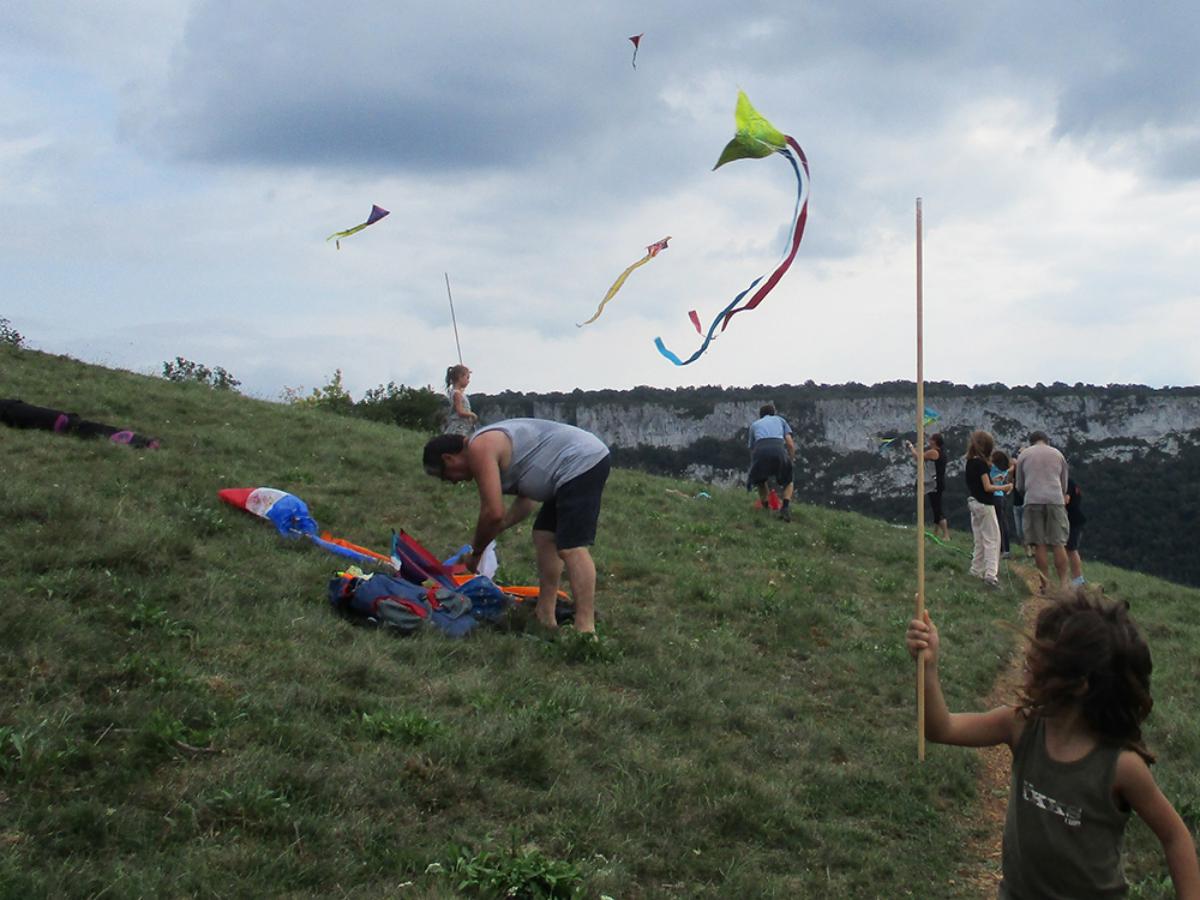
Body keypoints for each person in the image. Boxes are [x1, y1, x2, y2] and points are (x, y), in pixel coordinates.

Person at [906, 590, 1200, 899]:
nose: (1026, 668)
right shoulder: (1021, 725)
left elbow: (1174, 835)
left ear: (1079, 684)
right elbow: (941, 728)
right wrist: (928, 667)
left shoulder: (1121, 767)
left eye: (1038, 664)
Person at [422, 419, 610, 634]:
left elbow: (492, 512)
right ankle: (545, 615)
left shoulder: (479, 447)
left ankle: (585, 629)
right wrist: (498, 528)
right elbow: (527, 500)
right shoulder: (488, 448)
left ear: (449, 458)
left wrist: (476, 552)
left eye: (445, 476)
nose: (452, 482)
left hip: (581, 461)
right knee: (544, 536)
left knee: (571, 546)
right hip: (569, 467)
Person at [1016, 431, 1070, 592]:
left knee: (1039, 544)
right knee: (1058, 542)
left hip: (1033, 500)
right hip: (1055, 500)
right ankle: (1064, 584)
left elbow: (1019, 485)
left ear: (1031, 442)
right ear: (1047, 441)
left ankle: (1045, 585)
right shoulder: (1057, 454)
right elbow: (1064, 483)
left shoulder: (1024, 455)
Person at [964, 430, 1009, 588]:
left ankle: (975, 570)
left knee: (979, 539)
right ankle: (991, 575)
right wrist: (1005, 486)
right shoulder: (982, 464)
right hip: (985, 505)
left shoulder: (970, 461)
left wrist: (994, 480)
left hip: (974, 503)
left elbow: (979, 483)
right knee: (992, 539)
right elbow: (987, 487)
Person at [746, 403, 796, 522]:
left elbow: (751, 448)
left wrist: (754, 464)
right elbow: (790, 443)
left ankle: (766, 508)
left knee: (761, 481)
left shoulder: (754, 425)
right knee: (788, 481)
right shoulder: (780, 420)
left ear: (760, 415)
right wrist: (790, 459)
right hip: (778, 449)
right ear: (774, 413)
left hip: (760, 451)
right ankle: (785, 508)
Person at [908, 432, 948, 540]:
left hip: (934, 483)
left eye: (931, 439)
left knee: (937, 508)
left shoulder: (934, 452)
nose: (929, 441)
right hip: (938, 481)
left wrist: (911, 447)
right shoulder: (942, 452)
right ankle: (936, 533)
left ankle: (946, 535)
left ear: (934, 441)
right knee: (936, 506)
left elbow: (918, 457)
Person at [444, 364, 478, 436]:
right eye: (467, 377)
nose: (468, 381)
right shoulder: (457, 394)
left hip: (465, 426)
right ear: (460, 377)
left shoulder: (458, 392)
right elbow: (460, 412)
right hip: (459, 428)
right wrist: (472, 414)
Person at [991, 449, 1013, 559]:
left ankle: (1000, 549)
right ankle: (1006, 549)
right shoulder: (1003, 469)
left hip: (994, 496)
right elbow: (1012, 465)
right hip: (1001, 496)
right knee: (1003, 523)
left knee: (996, 524)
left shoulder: (992, 467)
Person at [1066, 477, 1087, 586]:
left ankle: (1078, 579)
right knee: (1068, 549)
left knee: (1071, 549)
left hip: (1073, 521)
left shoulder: (1067, 482)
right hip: (1074, 519)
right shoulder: (1072, 482)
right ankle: (1075, 578)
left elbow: (1066, 500)